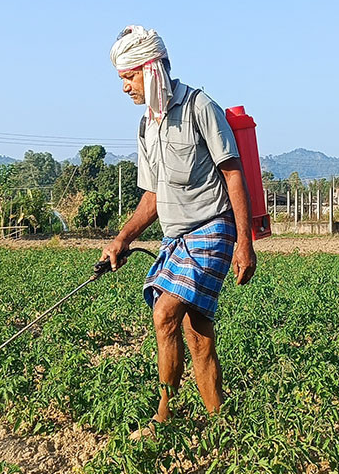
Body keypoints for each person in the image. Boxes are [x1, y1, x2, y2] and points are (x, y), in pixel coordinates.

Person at [101, 25, 257, 427]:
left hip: (212, 228)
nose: (124, 88)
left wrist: (245, 242)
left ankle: (164, 416)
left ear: (151, 69)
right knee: (197, 335)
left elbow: (233, 173)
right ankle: (220, 419)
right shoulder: (146, 126)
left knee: (165, 313)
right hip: (176, 238)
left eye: (129, 76)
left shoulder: (199, 107)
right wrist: (121, 239)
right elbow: (152, 197)